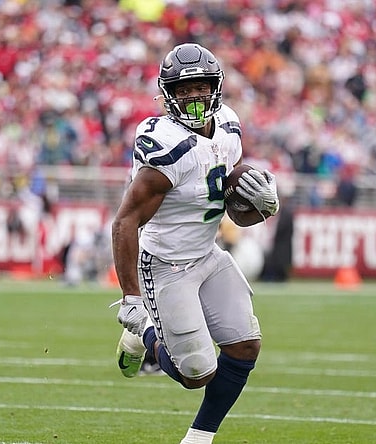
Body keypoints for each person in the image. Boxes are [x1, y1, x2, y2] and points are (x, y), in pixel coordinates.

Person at [110, 43, 280, 444]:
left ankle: (199, 438)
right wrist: (131, 297)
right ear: (167, 95)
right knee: (196, 375)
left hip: (207, 254)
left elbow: (231, 209)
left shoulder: (229, 127)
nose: (193, 96)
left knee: (246, 346)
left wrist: (262, 205)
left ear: (215, 87)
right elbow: (125, 222)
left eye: (200, 87)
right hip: (165, 264)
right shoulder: (167, 147)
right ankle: (145, 334)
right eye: (183, 89)